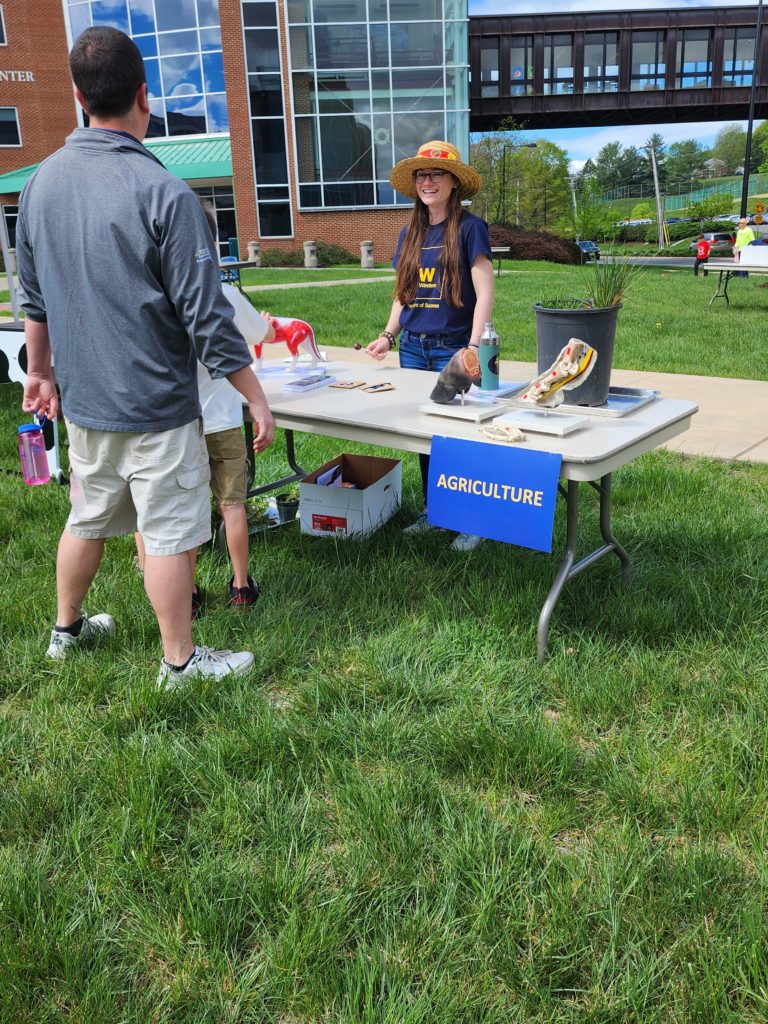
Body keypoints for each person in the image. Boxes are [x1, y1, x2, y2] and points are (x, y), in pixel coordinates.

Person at [16, 26, 275, 688]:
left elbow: (33, 302)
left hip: (85, 406)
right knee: (167, 535)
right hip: (157, 407)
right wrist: (254, 394)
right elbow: (208, 318)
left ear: (77, 97)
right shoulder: (165, 193)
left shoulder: (39, 186)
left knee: (88, 518)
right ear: (144, 97)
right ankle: (180, 663)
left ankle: (65, 632)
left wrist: (39, 374)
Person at [136, 202, 273, 611]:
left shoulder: (159, 297)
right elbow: (262, 331)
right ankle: (241, 585)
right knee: (233, 506)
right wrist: (262, 322)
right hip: (226, 420)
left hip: (180, 422)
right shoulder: (225, 292)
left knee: (188, 516)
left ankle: (189, 593)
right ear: (212, 243)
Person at [365, 140, 494, 553]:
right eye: (421, 175)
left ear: (455, 182)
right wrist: (389, 335)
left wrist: (473, 346)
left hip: (453, 346)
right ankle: (436, 512)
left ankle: (472, 518)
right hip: (414, 349)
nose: (428, 181)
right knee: (426, 435)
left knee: (462, 436)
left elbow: (485, 291)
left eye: (436, 174)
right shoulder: (410, 232)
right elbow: (403, 291)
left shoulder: (472, 228)